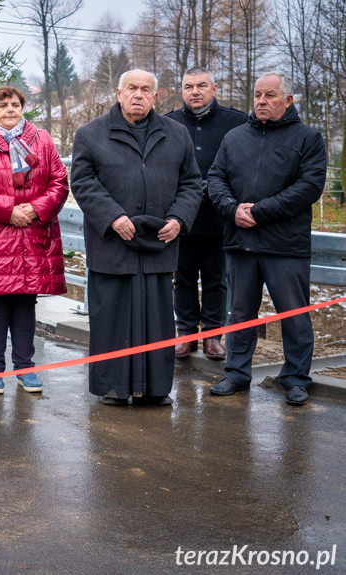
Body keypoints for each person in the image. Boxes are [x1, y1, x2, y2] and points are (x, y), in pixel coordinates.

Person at [71, 69, 202, 406]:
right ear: (118, 92)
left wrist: (179, 218)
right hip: (113, 244)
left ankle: (155, 389)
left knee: (156, 321)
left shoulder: (177, 134)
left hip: (159, 241)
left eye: (146, 89)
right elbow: (83, 182)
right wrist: (113, 216)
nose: (138, 95)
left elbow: (191, 182)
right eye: (132, 88)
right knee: (112, 317)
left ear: (155, 96)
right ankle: (113, 387)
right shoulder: (91, 134)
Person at [207, 72, 327, 406]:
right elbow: (215, 178)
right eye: (258, 95)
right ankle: (235, 373)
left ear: (288, 100)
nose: (261, 101)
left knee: (293, 314)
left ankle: (296, 378)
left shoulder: (307, 138)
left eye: (270, 95)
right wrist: (232, 210)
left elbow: (308, 188)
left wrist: (260, 211)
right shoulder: (234, 138)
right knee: (240, 313)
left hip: (285, 245)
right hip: (240, 242)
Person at [0, 85, 69, 395]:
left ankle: (25, 367)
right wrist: (8, 211)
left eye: (15, 105)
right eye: (3, 106)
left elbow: (59, 182)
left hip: (34, 233)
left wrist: (35, 209)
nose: (10, 109)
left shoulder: (42, 139)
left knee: (26, 302)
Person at [166, 67, 247, 361]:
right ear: (182, 91)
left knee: (216, 278)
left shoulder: (236, 122)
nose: (195, 92)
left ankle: (213, 335)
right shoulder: (168, 123)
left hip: (220, 217)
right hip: (180, 218)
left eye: (202, 86)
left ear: (215, 89)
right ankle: (186, 332)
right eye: (189, 87)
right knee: (183, 279)